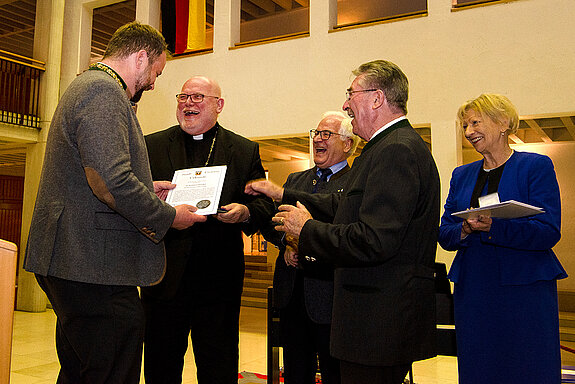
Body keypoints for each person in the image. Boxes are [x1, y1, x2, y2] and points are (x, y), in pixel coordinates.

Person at [23, 22, 207, 383]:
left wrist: (143, 188)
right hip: (92, 262)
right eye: (155, 72)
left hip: (78, 260)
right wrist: (168, 217)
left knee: (82, 369)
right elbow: (111, 181)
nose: (154, 83)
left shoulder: (89, 86)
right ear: (140, 58)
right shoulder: (103, 92)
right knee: (112, 368)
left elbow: (96, 174)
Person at [246, 60, 440, 383]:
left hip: (378, 324)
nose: (346, 104)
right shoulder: (383, 148)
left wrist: (305, 230)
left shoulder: (397, 151)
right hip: (374, 322)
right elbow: (341, 203)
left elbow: (373, 240)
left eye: (351, 94)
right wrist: (284, 194)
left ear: (377, 99)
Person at [141, 76, 275, 384]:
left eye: (198, 97)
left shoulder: (243, 150)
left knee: (218, 366)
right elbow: (135, 199)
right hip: (163, 281)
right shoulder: (152, 145)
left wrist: (244, 213)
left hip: (218, 284)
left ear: (219, 105)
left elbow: (264, 207)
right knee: (161, 366)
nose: (188, 103)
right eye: (183, 97)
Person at [438, 93, 567, 383]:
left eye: (475, 122)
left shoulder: (536, 167)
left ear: (503, 123)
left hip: (524, 289)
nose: (469, 131)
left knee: (528, 367)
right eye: (465, 126)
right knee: (478, 366)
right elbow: (445, 233)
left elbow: (548, 230)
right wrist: (466, 229)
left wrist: (493, 226)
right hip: (474, 289)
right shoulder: (461, 175)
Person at [263, 111, 360, 384]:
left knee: (333, 373)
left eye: (326, 134)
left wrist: (306, 242)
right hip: (292, 293)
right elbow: (274, 222)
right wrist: (286, 243)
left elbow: (346, 232)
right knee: (295, 371)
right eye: (316, 133)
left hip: (331, 296)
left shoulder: (355, 184)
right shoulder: (295, 181)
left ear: (347, 144)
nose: (318, 139)